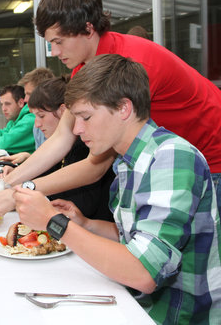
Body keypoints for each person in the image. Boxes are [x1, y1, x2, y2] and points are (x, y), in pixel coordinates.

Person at [14, 54, 221, 324]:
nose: (77, 129)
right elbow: (136, 239)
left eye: (85, 117)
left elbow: (143, 272)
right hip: (140, 305)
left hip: (173, 315)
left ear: (124, 108)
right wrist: (85, 224)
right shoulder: (128, 160)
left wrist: (54, 223)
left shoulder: (171, 157)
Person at [4, 0, 221, 202]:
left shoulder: (131, 65)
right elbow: (63, 135)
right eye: (51, 44)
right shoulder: (85, 66)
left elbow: (95, 166)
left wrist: (22, 190)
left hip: (212, 156)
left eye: (59, 42)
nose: (56, 52)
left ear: (88, 29)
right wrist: (7, 183)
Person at [0, 77, 113, 221]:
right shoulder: (71, 145)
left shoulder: (86, 145)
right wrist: (15, 176)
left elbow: (82, 204)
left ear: (63, 111)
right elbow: (49, 170)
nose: (37, 124)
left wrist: (20, 193)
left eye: (41, 116)